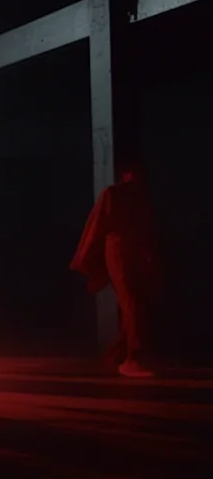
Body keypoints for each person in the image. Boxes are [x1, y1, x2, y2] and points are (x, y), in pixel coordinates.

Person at [71, 162, 157, 378]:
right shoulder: (116, 194)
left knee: (135, 304)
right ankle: (130, 357)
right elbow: (98, 225)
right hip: (118, 252)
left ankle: (119, 354)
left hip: (130, 252)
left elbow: (144, 228)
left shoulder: (137, 196)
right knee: (131, 303)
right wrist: (89, 259)